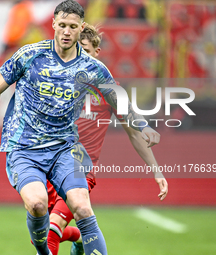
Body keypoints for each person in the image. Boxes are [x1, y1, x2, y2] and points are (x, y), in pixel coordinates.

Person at [0, 1, 161, 254]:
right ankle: (42, 249)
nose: (66, 31)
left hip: (65, 150)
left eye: (72, 27)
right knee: (38, 205)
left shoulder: (93, 68)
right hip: (24, 148)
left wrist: (145, 126)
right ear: (53, 24)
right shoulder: (30, 55)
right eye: (61, 25)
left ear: (80, 27)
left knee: (82, 207)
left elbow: (122, 104)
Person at [44, 23, 168, 255]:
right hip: (50, 166)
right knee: (40, 236)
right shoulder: (57, 84)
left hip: (80, 168)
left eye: (86, 51)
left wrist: (156, 170)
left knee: (52, 230)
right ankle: (79, 238)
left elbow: (134, 132)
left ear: (97, 54)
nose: (81, 58)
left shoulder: (109, 89)